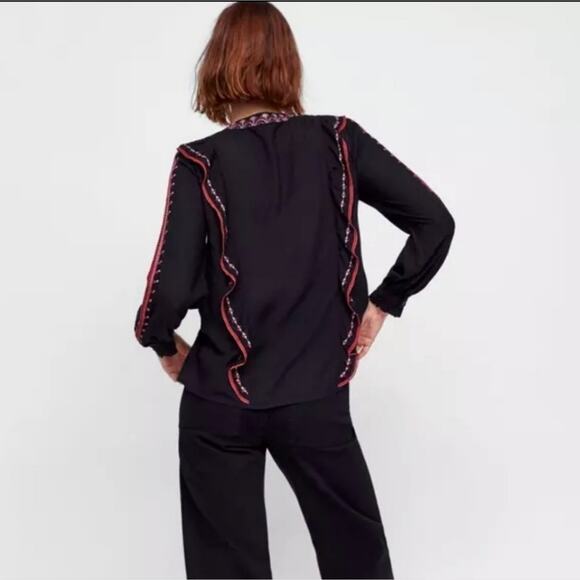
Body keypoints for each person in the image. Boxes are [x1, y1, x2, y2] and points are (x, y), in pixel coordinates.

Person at [134, 2, 455, 578]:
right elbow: (434, 221)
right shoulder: (339, 141)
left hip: (220, 401)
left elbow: (168, 287)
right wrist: (383, 303)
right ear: (288, 64)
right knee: (358, 563)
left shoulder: (199, 162)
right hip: (316, 394)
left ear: (217, 64)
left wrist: (162, 343)